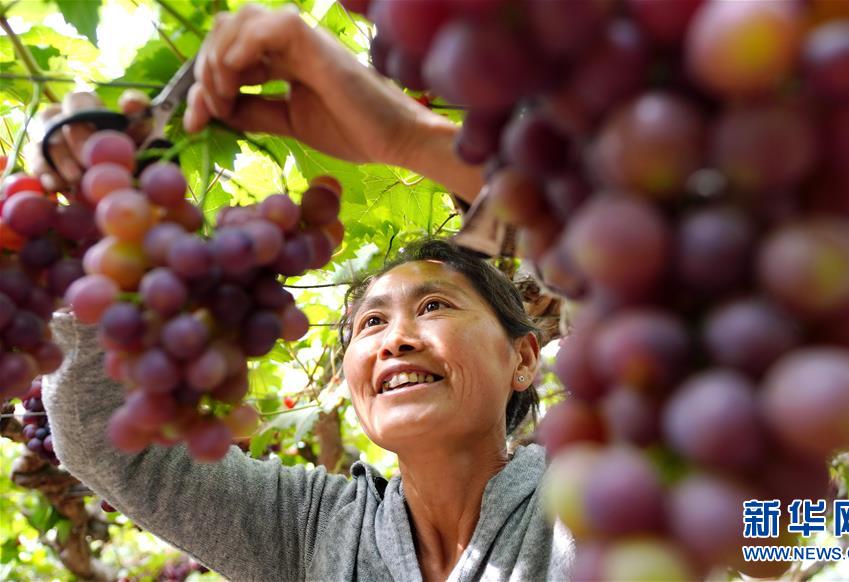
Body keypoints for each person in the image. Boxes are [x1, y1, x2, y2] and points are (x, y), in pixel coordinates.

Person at [40, 4, 575, 582]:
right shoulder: (308, 527)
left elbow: (648, 278)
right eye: (369, 324)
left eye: (434, 306)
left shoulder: (596, 497)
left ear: (523, 358)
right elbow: (104, 441)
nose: (394, 340)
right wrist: (106, 242)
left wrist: (410, 140)